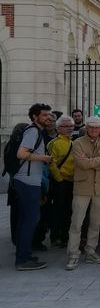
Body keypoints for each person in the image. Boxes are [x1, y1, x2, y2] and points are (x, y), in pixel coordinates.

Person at [65, 116, 100, 270]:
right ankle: (73, 253)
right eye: (91, 127)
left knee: (95, 222)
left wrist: (92, 162)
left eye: (97, 128)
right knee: (77, 222)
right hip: (82, 187)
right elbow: (81, 163)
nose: (94, 130)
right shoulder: (77, 143)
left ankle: (91, 251)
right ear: (87, 128)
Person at [13, 103, 53, 271]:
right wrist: (43, 158)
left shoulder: (36, 131)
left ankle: (24, 255)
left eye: (48, 115)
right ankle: (23, 259)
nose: (48, 118)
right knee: (31, 219)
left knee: (26, 220)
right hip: (27, 181)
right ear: (35, 116)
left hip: (29, 180)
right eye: (44, 115)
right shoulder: (33, 131)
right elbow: (21, 154)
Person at [46, 115, 76, 248]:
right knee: (58, 210)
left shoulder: (73, 143)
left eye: (71, 126)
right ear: (58, 128)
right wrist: (59, 179)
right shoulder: (54, 143)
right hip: (61, 182)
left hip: (72, 181)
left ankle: (65, 235)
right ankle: (55, 236)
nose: (69, 128)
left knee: (69, 210)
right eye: (66, 126)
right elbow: (51, 163)